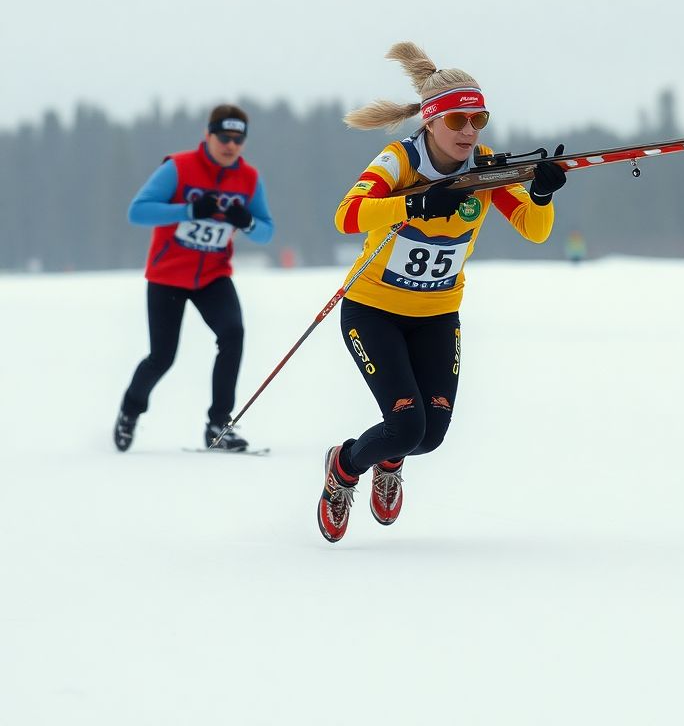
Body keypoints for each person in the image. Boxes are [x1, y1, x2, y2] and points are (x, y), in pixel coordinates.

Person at [317, 41, 567, 542]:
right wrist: (412, 205)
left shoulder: (485, 168)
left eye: (478, 120)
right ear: (430, 122)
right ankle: (344, 468)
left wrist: (540, 194)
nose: (469, 132)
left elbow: (534, 229)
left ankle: (390, 460)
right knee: (406, 426)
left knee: (428, 437)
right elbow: (347, 215)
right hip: (373, 310)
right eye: (457, 121)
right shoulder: (399, 161)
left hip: (437, 316)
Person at [113, 104, 275, 453]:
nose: (230, 145)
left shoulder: (249, 179)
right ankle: (130, 409)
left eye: (238, 140)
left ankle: (218, 424)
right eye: (224, 137)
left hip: (213, 276)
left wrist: (247, 221)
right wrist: (187, 210)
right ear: (208, 135)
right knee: (162, 357)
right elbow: (137, 212)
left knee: (233, 335)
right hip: (168, 276)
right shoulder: (178, 168)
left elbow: (266, 232)